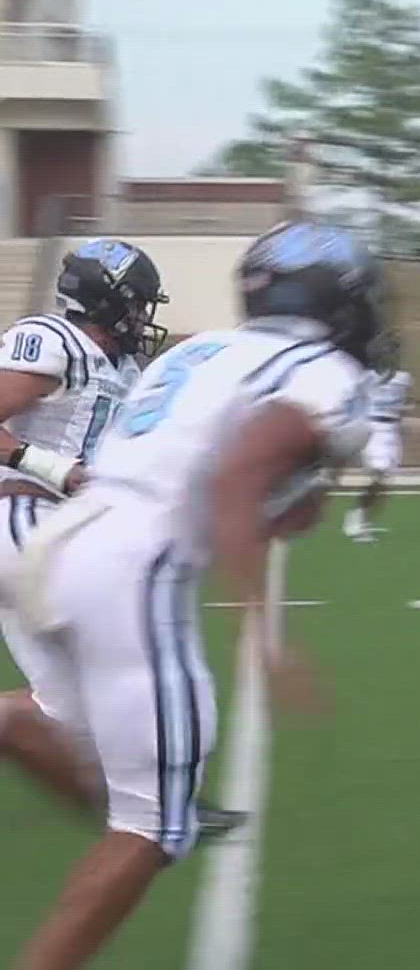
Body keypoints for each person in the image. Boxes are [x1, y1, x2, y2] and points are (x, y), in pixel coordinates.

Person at [0, 220, 387, 970]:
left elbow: (222, 469)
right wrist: (260, 626)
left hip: (64, 547)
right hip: (132, 565)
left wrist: (291, 493)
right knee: (154, 823)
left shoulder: (201, 351)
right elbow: (239, 474)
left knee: (116, 777)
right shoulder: (323, 371)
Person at [0, 241, 246, 845]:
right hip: (25, 518)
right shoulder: (56, 341)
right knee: (126, 653)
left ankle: (155, 808)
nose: (142, 318)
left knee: (71, 705)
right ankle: (154, 811)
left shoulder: (125, 371)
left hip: (56, 528)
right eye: (137, 305)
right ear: (109, 302)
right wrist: (54, 469)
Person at [342, 367, 416, 542]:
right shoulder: (367, 377)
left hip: (393, 431)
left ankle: (363, 518)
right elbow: (352, 399)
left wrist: (406, 417)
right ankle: (357, 517)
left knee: (384, 482)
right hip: (374, 428)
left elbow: (405, 402)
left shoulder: (403, 378)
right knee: (378, 473)